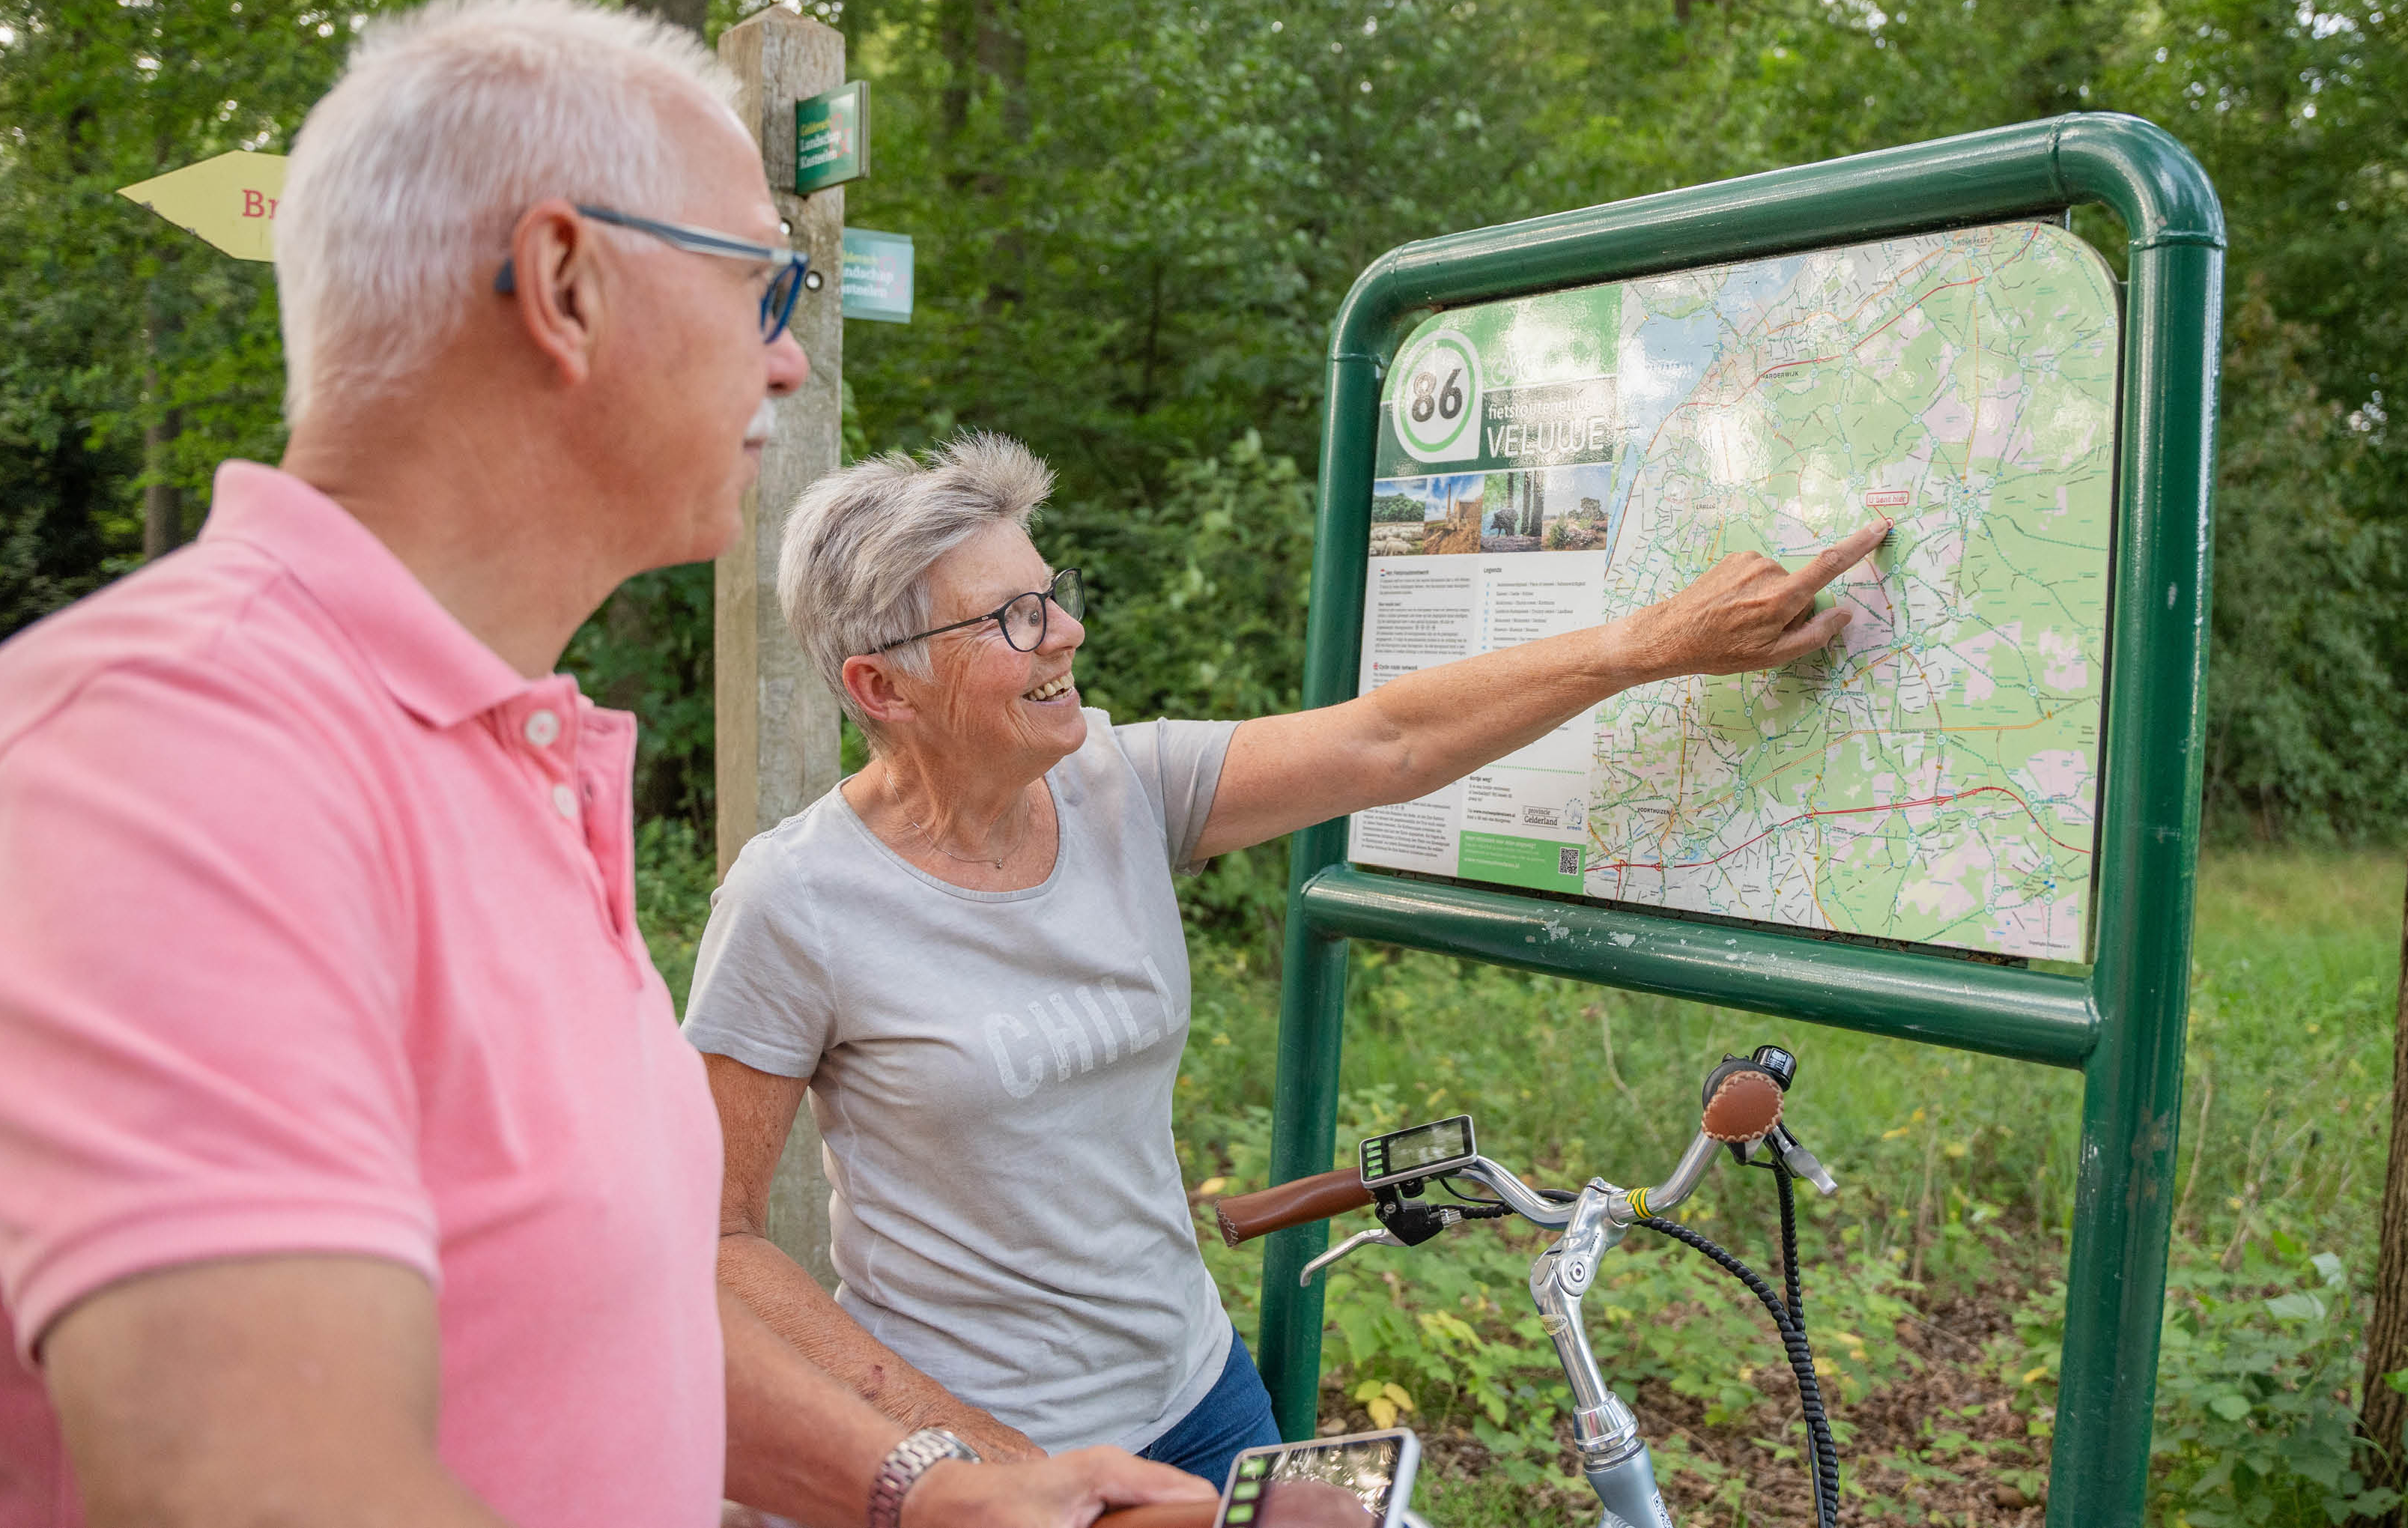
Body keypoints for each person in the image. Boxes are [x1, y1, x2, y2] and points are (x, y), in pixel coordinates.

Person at [0, 0, 1210, 1528]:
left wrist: (918, 1487)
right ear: (565, 282)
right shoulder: (174, 751)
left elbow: (592, 1308)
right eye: (760, 289)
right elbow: (259, 1489)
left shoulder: (480, 748)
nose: (783, 366)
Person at [683, 434, 1886, 1485]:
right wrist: (965, 1454)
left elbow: (1388, 742)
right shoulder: (797, 900)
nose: (1069, 631)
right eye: (1013, 617)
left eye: (1052, 591)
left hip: (1204, 1399)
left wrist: (1651, 644)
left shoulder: (1122, 783)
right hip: (980, 1451)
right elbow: (718, 1232)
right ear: (880, 685)